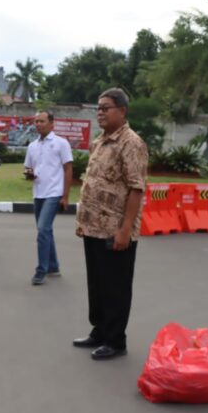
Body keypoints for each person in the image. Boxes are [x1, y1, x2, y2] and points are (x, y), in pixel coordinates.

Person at [73, 88, 148, 361]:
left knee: (115, 286)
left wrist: (125, 229)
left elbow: (136, 189)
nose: (100, 112)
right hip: (93, 227)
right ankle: (100, 330)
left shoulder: (131, 143)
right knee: (97, 283)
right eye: (99, 108)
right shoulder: (100, 142)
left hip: (115, 230)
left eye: (106, 108)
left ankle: (116, 340)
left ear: (123, 111)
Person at [24, 112, 73, 285]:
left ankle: (41, 270)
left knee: (43, 230)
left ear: (52, 123)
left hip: (54, 193)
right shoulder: (32, 146)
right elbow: (28, 169)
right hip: (38, 193)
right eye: (36, 121)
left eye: (41, 121)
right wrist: (28, 174)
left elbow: (68, 169)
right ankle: (53, 266)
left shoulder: (61, 143)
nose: (38, 124)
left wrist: (65, 196)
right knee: (46, 231)